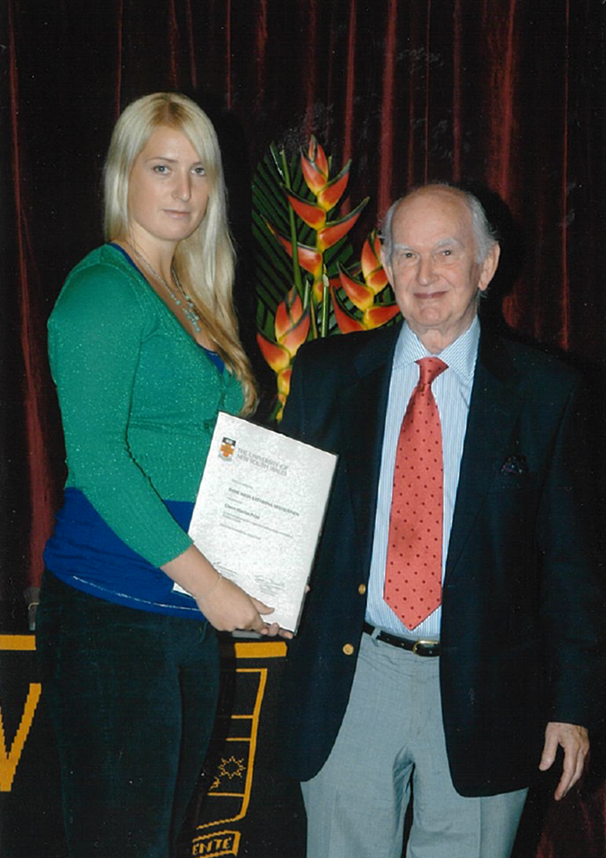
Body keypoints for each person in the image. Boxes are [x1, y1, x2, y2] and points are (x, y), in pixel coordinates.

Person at [277, 183, 604, 858]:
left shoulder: (549, 392)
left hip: (491, 690)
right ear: (386, 265)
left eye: (446, 253)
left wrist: (572, 704)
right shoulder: (325, 373)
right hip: (352, 678)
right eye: (407, 255)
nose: (426, 276)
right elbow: (286, 518)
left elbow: (574, 566)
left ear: (486, 266)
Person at [36, 92, 288, 858]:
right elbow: (102, 465)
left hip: (176, 608)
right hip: (115, 609)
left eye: (199, 170)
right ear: (125, 176)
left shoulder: (187, 294)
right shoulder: (105, 292)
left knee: (162, 841)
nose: (183, 189)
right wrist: (214, 588)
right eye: (162, 168)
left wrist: (251, 582)